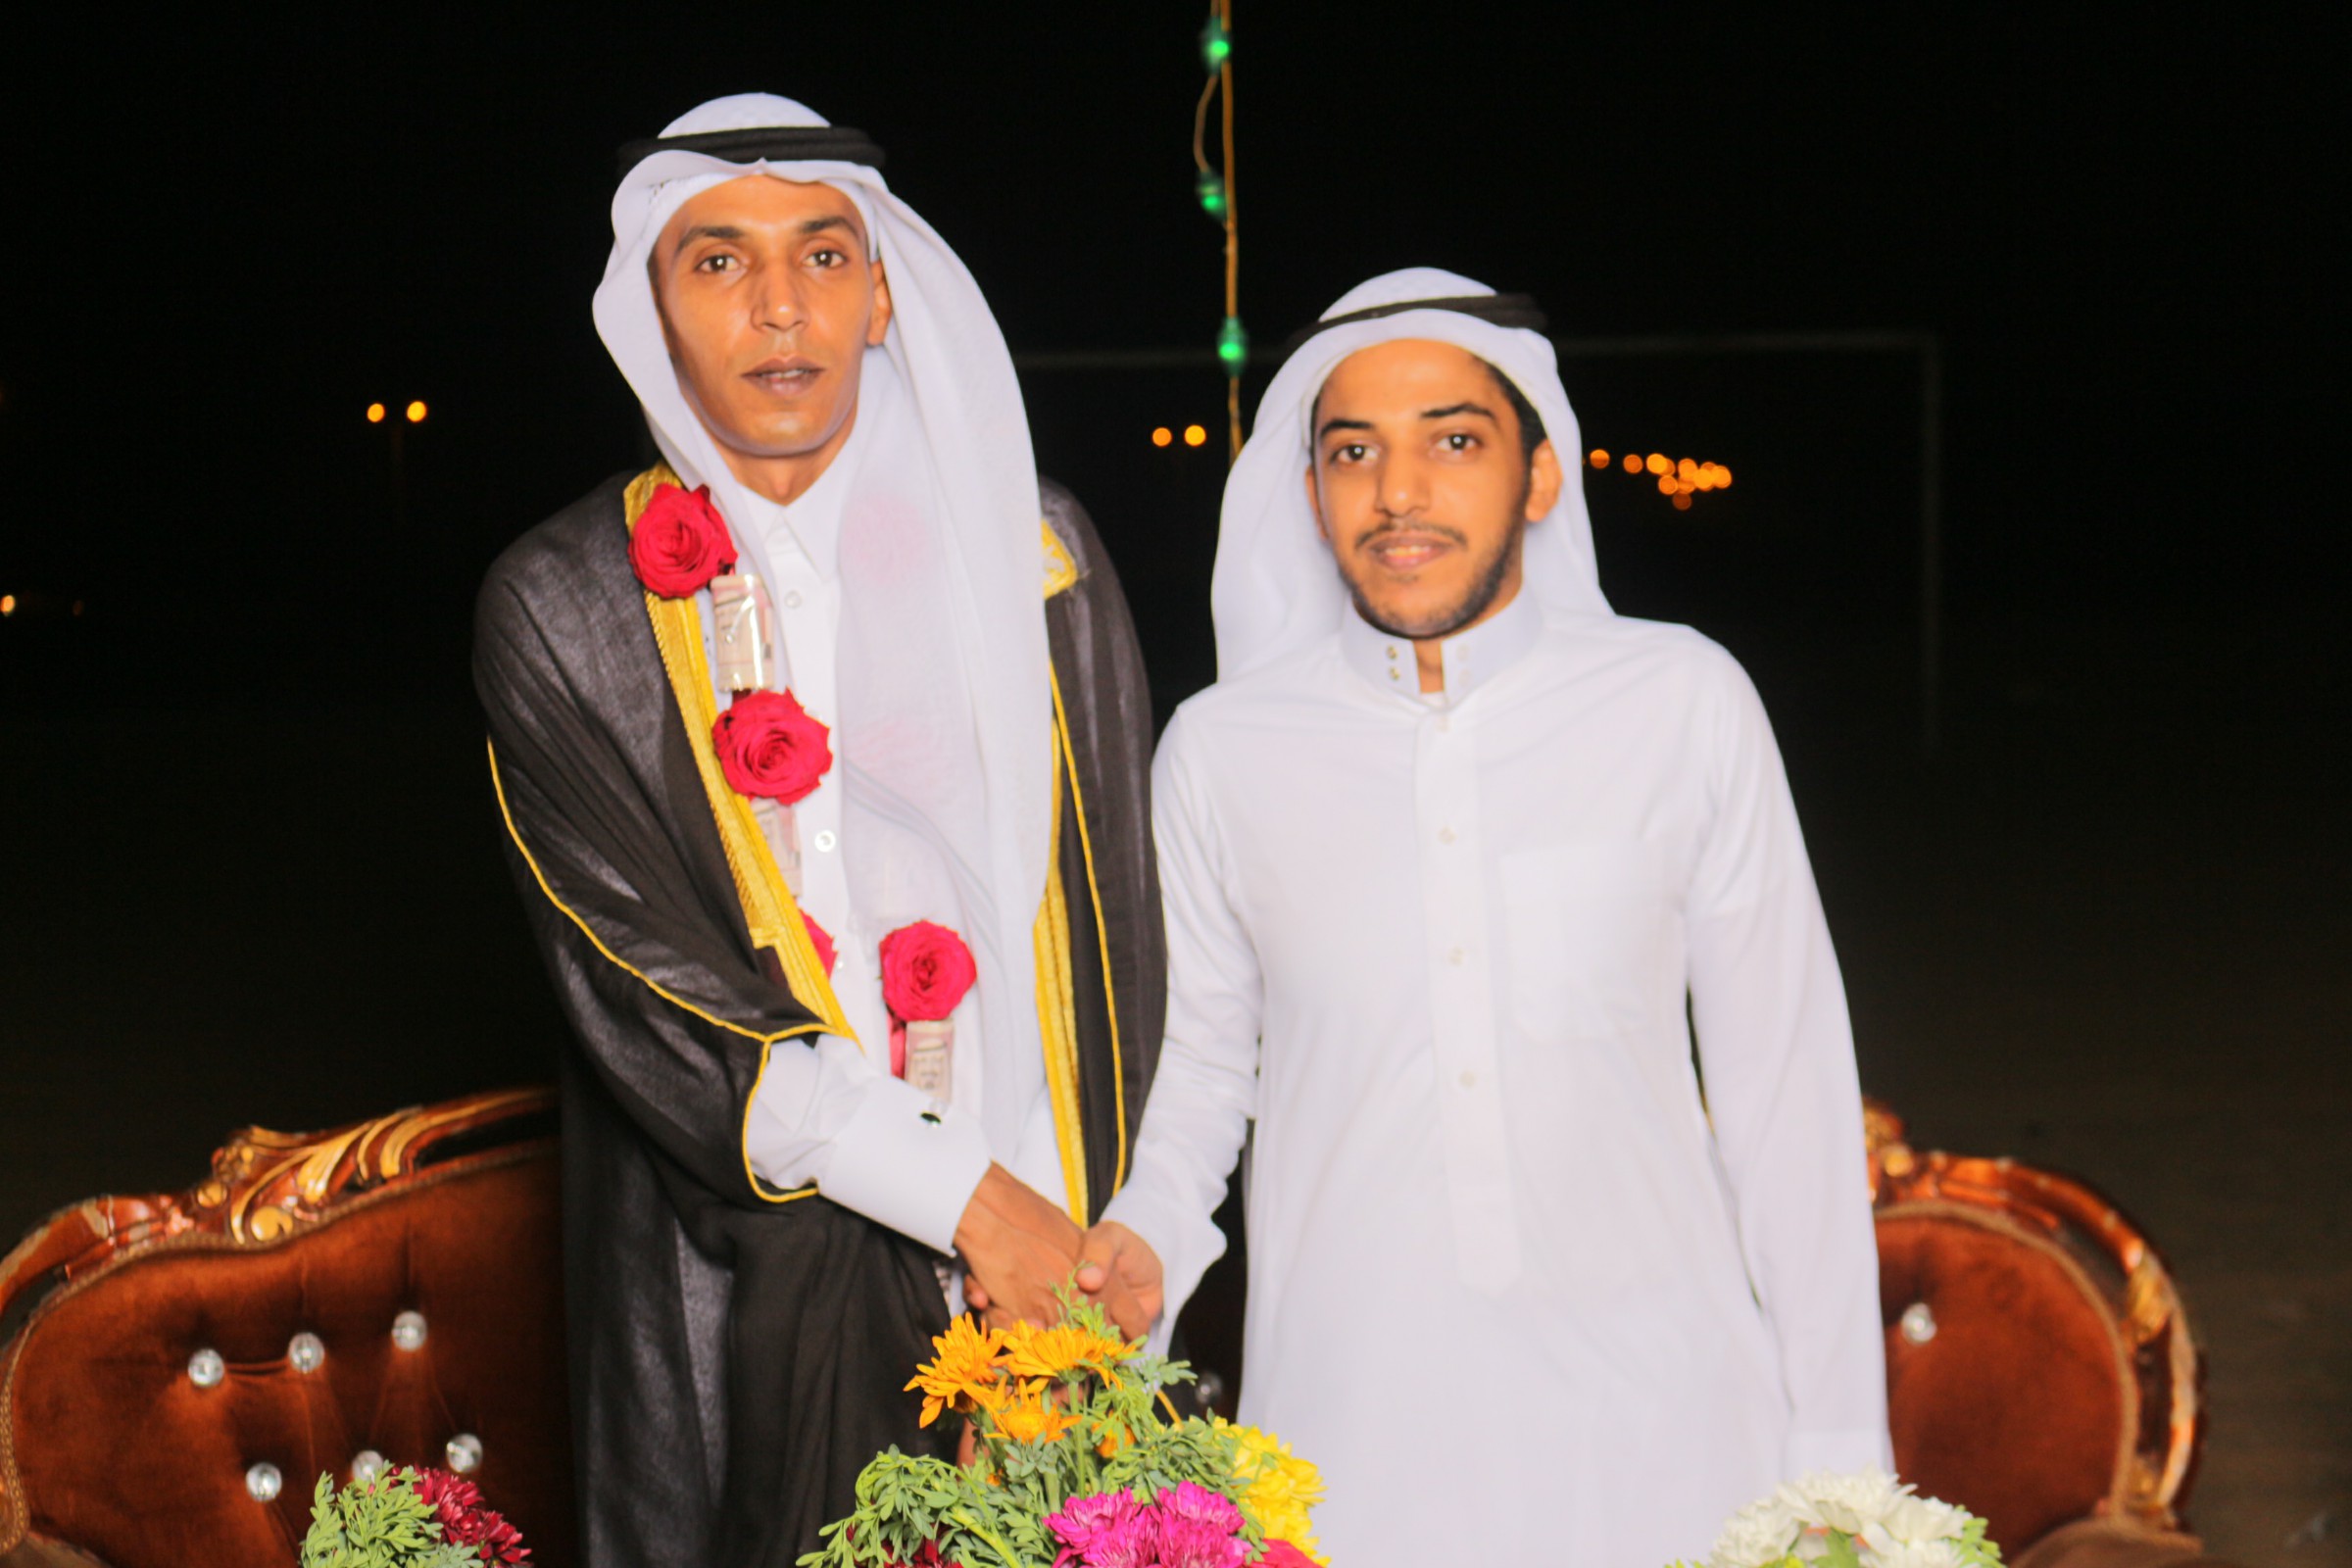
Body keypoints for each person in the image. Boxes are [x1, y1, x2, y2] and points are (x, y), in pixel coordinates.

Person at [1078, 270, 1890, 1566]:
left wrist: (1841, 1454)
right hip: (1352, 1437)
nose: (1398, 493)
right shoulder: (1224, 752)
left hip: (1673, 1432)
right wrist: (1150, 1242)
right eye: (1355, 452)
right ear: (1311, 494)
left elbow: (1785, 1092)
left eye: (1453, 442)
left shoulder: (1682, 703)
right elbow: (1203, 1075)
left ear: (1541, 474)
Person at [473, 95, 1163, 1568]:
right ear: (651, 305)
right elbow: (661, 1008)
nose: (780, 305)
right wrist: (969, 1204)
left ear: (883, 294)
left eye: (824, 255)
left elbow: (1116, 931)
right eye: (719, 261)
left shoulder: (1033, 556)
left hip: (1047, 1273)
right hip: (735, 1292)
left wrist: (1068, 1246)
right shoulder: (565, 607)